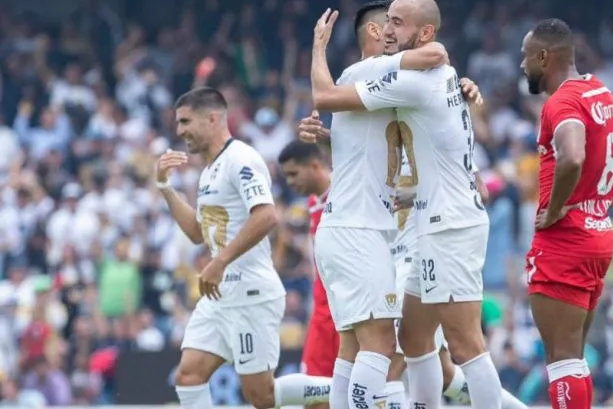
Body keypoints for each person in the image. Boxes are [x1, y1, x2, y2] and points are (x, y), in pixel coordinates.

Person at [311, 0, 499, 409]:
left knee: (465, 343)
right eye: (387, 21)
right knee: (412, 337)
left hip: (450, 224)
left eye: (398, 22)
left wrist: (318, 47)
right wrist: (335, 138)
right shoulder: (442, 74)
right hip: (432, 221)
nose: (390, 30)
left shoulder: (412, 80)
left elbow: (326, 98)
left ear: (426, 32)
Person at [298, 117, 527, 409]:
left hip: (422, 251)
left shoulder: (437, 129)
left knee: (411, 354)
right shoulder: (395, 131)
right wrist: (326, 137)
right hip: (394, 254)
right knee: (434, 362)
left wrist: (416, 196)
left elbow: (477, 190)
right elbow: (360, 154)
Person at [156, 87, 332, 409]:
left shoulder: (241, 158)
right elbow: (198, 233)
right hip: (220, 296)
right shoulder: (209, 171)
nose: (179, 131)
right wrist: (165, 187)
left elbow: (267, 215)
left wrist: (220, 261)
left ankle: (354, 388)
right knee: (188, 377)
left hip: (250, 293)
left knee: (261, 397)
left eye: (185, 121)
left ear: (212, 118)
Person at [519, 18, 613, 409]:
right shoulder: (599, 92)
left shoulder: (562, 101)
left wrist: (556, 208)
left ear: (544, 56)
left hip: (565, 239)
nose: (523, 66)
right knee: (573, 356)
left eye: (526, 57)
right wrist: (603, 204)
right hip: (596, 232)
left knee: (559, 358)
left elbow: (572, 156)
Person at [278, 139, 335, 409]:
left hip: (356, 309)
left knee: (369, 390)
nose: (289, 182)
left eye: (293, 173)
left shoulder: (345, 193)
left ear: (314, 165)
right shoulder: (312, 202)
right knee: (315, 396)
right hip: (323, 313)